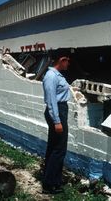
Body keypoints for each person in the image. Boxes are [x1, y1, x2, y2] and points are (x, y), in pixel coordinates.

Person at [42, 53, 71, 194]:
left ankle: (52, 180)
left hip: (60, 110)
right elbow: (51, 100)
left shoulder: (57, 75)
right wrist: (57, 121)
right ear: (62, 60)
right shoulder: (51, 76)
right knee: (59, 149)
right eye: (67, 61)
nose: (68, 64)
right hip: (57, 111)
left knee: (54, 147)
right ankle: (50, 183)